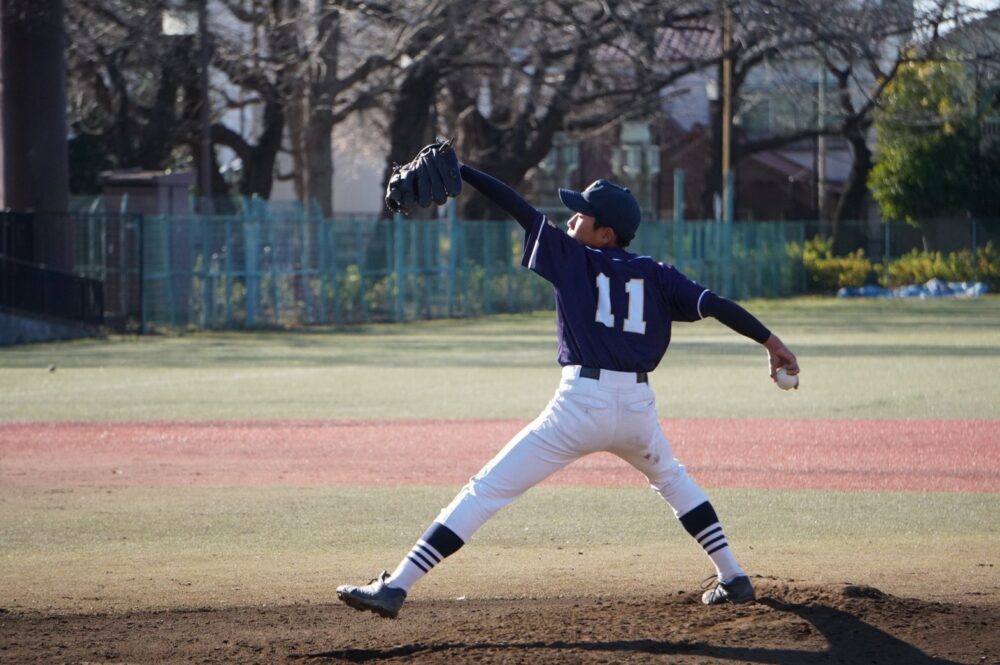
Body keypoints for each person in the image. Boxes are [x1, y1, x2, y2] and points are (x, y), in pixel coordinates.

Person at [337, 157, 800, 618]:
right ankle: (734, 576)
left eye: (582, 214)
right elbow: (717, 305)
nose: (571, 218)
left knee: (487, 490)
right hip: (636, 408)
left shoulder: (571, 256)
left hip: (580, 406)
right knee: (673, 481)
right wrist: (772, 343)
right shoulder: (659, 274)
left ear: (606, 234)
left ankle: (396, 586)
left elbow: (518, 207)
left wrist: (466, 171)